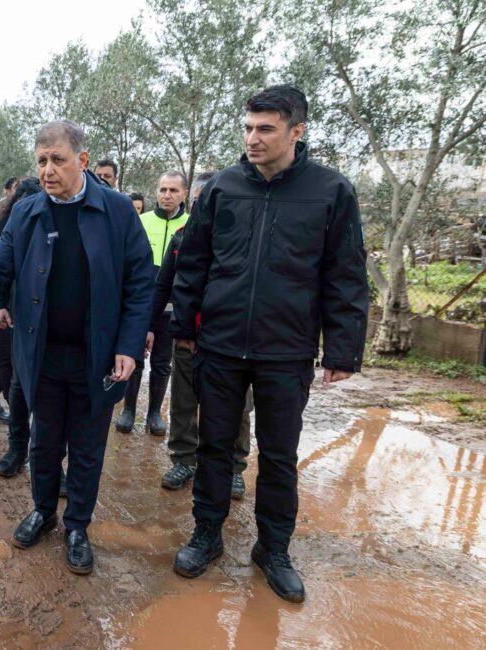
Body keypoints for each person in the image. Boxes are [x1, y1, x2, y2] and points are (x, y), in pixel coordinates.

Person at [169, 85, 369, 603]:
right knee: (214, 447)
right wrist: (185, 328)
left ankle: (273, 549)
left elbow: (345, 271)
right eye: (248, 127)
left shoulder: (330, 191)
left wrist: (343, 348)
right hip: (220, 344)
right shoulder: (221, 188)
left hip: (287, 349)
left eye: (266, 129)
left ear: (296, 132)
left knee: (279, 456)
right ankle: (206, 535)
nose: (252, 138)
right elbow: (194, 261)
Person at [0, 120, 155, 575]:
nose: (47, 170)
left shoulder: (118, 211)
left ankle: (77, 526)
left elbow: (142, 282)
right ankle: (43, 511)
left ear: (83, 161)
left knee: (86, 446)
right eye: (41, 160)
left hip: (97, 355)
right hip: (41, 352)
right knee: (44, 441)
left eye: (57, 160)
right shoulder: (26, 213)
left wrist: (128, 344)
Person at [153, 172, 254, 498]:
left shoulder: (245, 238)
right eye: (199, 200)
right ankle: (184, 459)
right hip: (188, 337)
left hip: (233, 341)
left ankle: (235, 468)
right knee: (184, 401)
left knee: (238, 406)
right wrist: (148, 326)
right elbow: (163, 286)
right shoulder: (181, 237)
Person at [0, 178, 43, 476]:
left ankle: (53, 463)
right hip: (20, 316)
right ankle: (17, 448)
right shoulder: (8, 226)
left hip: (57, 322)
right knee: (17, 382)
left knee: (52, 394)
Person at [115, 171, 189, 436]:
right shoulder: (142, 221)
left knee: (162, 361)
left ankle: (155, 412)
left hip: (172, 309)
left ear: (184, 194)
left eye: (173, 191)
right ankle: (128, 409)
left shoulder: (191, 225)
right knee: (134, 354)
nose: (167, 195)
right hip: (140, 304)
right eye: (163, 190)